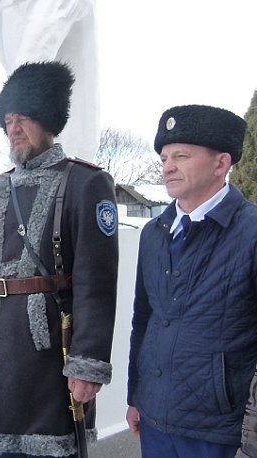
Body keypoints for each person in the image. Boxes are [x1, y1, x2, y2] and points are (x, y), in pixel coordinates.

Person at [0, 61, 118, 457]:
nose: (14, 129)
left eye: (24, 119)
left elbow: (96, 282)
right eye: (9, 120)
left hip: (49, 350)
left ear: (49, 122)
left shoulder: (86, 182)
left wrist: (86, 363)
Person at [127, 105, 257, 458]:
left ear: (221, 163)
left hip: (219, 429)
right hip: (155, 420)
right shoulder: (154, 233)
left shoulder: (251, 231)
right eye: (165, 157)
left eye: (181, 156)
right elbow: (145, 319)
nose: (168, 166)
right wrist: (135, 396)